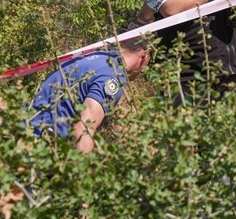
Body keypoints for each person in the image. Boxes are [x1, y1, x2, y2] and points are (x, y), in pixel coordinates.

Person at [27, 20, 152, 153]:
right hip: (39, 150)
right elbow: (83, 130)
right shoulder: (114, 75)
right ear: (144, 54)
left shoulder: (91, 56)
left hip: (23, 132)